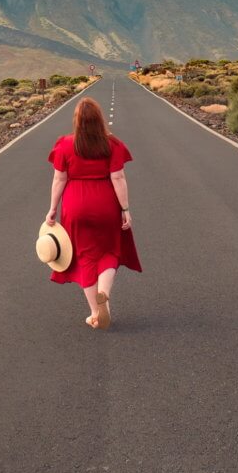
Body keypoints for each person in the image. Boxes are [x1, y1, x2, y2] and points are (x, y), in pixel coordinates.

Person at [45, 97, 142, 329]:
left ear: (77, 121)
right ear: (99, 120)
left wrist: (52, 209)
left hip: (75, 205)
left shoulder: (65, 145)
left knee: (84, 257)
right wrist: (126, 208)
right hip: (105, 204)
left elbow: (59, 179)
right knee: (109, 250)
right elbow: (117, 177)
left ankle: (95, 313)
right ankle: (104, 293)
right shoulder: (112, 145)